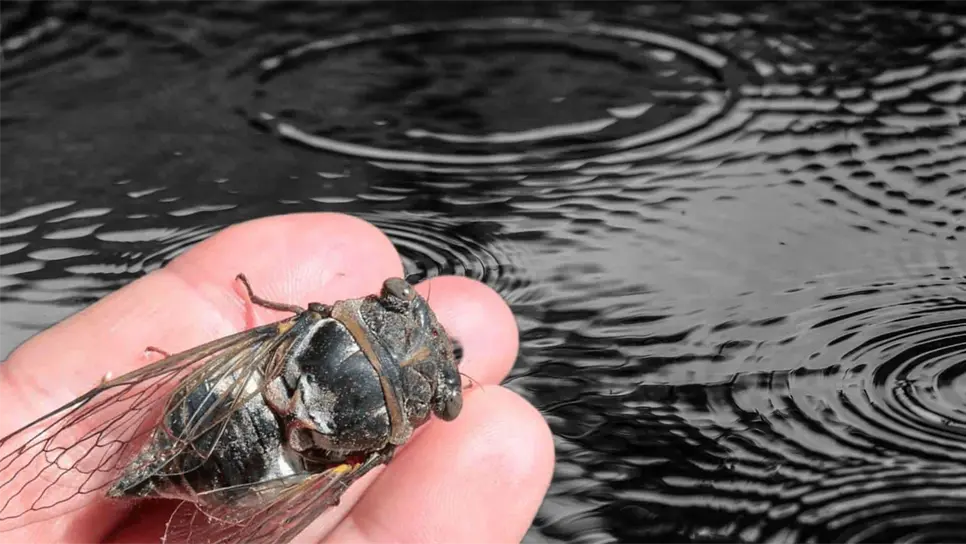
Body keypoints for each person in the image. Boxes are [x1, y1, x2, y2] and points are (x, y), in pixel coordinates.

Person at [0, 213, 554, 543]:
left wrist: (266, 308)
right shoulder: (391, 433)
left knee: (255, 360)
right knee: (321, 474)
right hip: (258, 479)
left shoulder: (326, 317)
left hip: (213, 401)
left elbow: (287, 325)